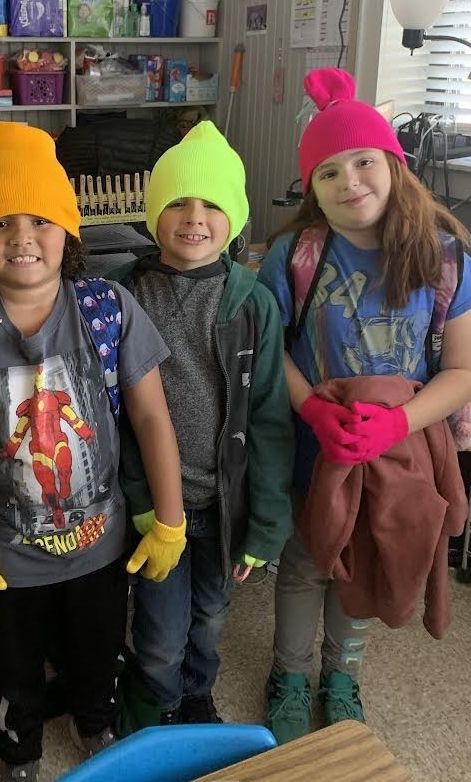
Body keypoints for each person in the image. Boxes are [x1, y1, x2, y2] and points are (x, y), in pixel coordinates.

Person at [0, 123, 186, 782]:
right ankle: (19, 750)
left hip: (100, 545)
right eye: (0, 222)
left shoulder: (108, 310)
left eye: (40, 220)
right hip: (2, 562)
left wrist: (169, 518)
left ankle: (95, 721)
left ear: (69, 231)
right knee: (15, 671)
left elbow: (149, 414)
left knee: (97, 652)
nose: (22, 237)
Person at [258, 69, 471, 744]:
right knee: (306, 562)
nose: (349, 181)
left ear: (393, 163)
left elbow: (468, 367)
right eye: (327, 173)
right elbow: (274, 354)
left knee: (372, 556)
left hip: (400, 456)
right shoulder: (294, 256)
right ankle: (290, 677)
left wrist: (398, 421)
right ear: (311, 188)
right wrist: (311, 411)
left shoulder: (443, 258)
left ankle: (343, 674)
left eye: (362, 162)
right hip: (316, 454)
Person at [109, 121, 294, 727]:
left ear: (235, 216)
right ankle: (155, 697)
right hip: (156, 503)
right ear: (152, 213)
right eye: (178, 202)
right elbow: (113, 416)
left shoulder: (253, 303)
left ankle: (194, 694)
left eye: (212, 203)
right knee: (161, 624)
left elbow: (267, 419)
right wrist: (139, 496)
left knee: (211, 617)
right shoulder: (125, 295)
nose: (194, 217)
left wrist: (266, 525)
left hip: (226, 504)